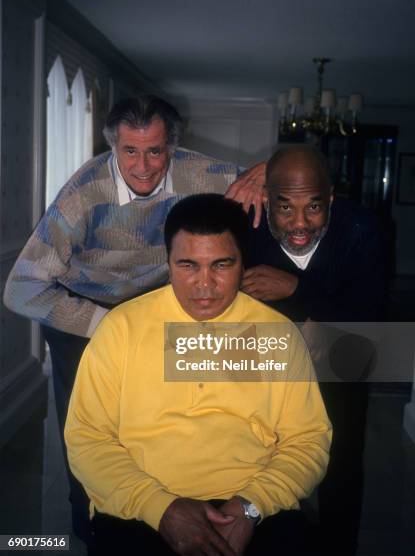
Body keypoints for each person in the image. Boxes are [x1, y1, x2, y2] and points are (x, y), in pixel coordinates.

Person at [2, 95, 265, 545]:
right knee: (88, 435)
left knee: (156, 423)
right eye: (129, 151)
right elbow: (20, 289)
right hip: (83, 315)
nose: (143, 167)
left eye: (155, 151)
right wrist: (110, 326)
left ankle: (163, 518)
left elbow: (291, 187)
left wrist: (269, 169)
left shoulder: (199, 172)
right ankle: (88, 530)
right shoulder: (83, 193)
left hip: (155, 310)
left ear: (172, 149)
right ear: (112, 148)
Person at [64, 193, 332, 556]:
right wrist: (161, 509)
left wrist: (250, 507)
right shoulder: (121, 329)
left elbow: (309, 440)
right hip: (140, 506)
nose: (204, 285)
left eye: (221, 265)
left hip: (254, 503)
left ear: (243, 263)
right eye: (188, 266)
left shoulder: (279, 336)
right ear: (168, 263)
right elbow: (87, 439)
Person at [243, 144, 387, 555]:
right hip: (267, 372)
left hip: (342, 372)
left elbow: (371, 322)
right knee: (265, 461)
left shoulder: (364, 230)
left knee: (340, 467)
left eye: (315, 207)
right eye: (285, 208)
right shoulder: (246, 225)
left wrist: (297, 291)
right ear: (267, 198)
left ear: (332, 200)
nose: (300, 224)